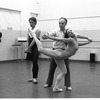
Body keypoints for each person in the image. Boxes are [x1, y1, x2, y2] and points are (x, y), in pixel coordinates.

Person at [29, 28, 92, 92]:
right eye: (69, 32)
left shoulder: (75, 40)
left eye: (71, 31)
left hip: (61, 56)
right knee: (40, 49)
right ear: (68, 35)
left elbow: (78, 44)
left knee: (64, 71)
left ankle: (55, 87)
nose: (71, 32)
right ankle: (34, 35)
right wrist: (49, 37)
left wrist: (88, 42)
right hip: (59, 54)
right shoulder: (70, 39)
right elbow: (60, 39)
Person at [42, 17, 92, 91]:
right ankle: (48, 83)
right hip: (55, 51)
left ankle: (68, 85)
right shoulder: (55, 31)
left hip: (64, 52)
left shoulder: (68, 32)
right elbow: (48, 34)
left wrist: (87, 38)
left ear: (65, 24)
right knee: (52, 68)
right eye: (59, 23)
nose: (61, 25)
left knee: (66, 69)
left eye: (62, 23)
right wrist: (45, 36)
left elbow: (77, 35)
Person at [25, 17, 41, 84]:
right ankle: (33, 77)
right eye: (29, 22)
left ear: (35, 22)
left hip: (35, 46)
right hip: (30, 45)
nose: (30, 24)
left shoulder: (38, 30)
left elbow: (34, 41)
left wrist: (28, 48)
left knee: (35, 62)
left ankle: (35, 78)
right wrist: (27, 47)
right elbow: (28, 38)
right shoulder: (29, 29)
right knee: (32, 61)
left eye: (32, 22)